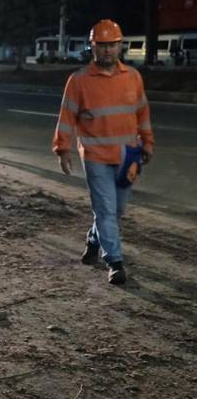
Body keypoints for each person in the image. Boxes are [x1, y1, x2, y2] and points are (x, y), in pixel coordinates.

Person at [52, 19, 154, 285]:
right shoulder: (79, 81)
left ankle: (93, 240)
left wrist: (148, 143)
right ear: (92, 46)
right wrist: (62, 148)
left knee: (116, 211)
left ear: (120, 45)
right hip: (96, 157)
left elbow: (142, 113)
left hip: (128, 156)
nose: (108, 50)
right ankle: (115, 262)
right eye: (102, 45)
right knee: (106, 211)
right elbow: (66, 117)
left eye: (112, 44)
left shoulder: (133, 77)